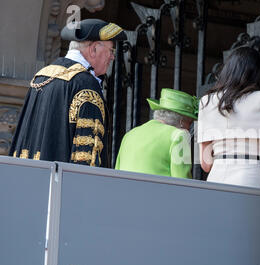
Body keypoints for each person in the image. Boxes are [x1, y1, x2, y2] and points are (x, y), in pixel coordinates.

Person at [9, 19, 127, 167]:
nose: (112, 57)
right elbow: (87, 160)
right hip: (61, 186)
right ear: (94, 49)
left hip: (30, 179)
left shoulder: (41, 76)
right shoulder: (86, 85)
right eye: (111, 50)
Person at [197, 46, 260, 222]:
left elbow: (205, 164)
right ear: (256, 74)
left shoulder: (206, 102)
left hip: (215, 180)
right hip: (250, 178)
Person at [115, 88, 198, 179]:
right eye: (190, 123)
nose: (189, 128)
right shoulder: (179, 135)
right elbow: (183, 182)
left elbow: (117, 175)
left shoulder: (129, 135)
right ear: (182, 122)